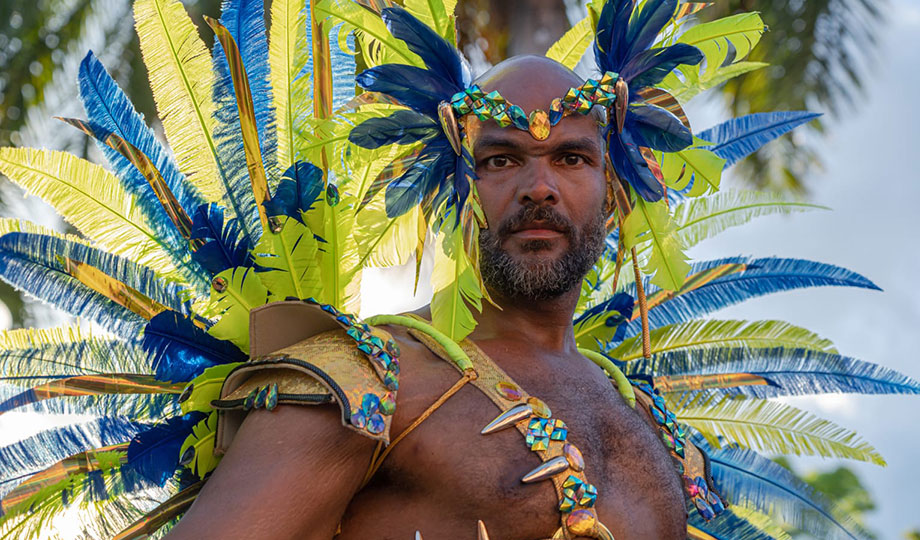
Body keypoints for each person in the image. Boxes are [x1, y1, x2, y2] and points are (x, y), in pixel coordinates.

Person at [165, 56, 689, 540]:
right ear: (454, 190)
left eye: (572, 157)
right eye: (501, 160)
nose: (539, 187)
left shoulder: (647, 420)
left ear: (612, 188)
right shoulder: (364, 382)